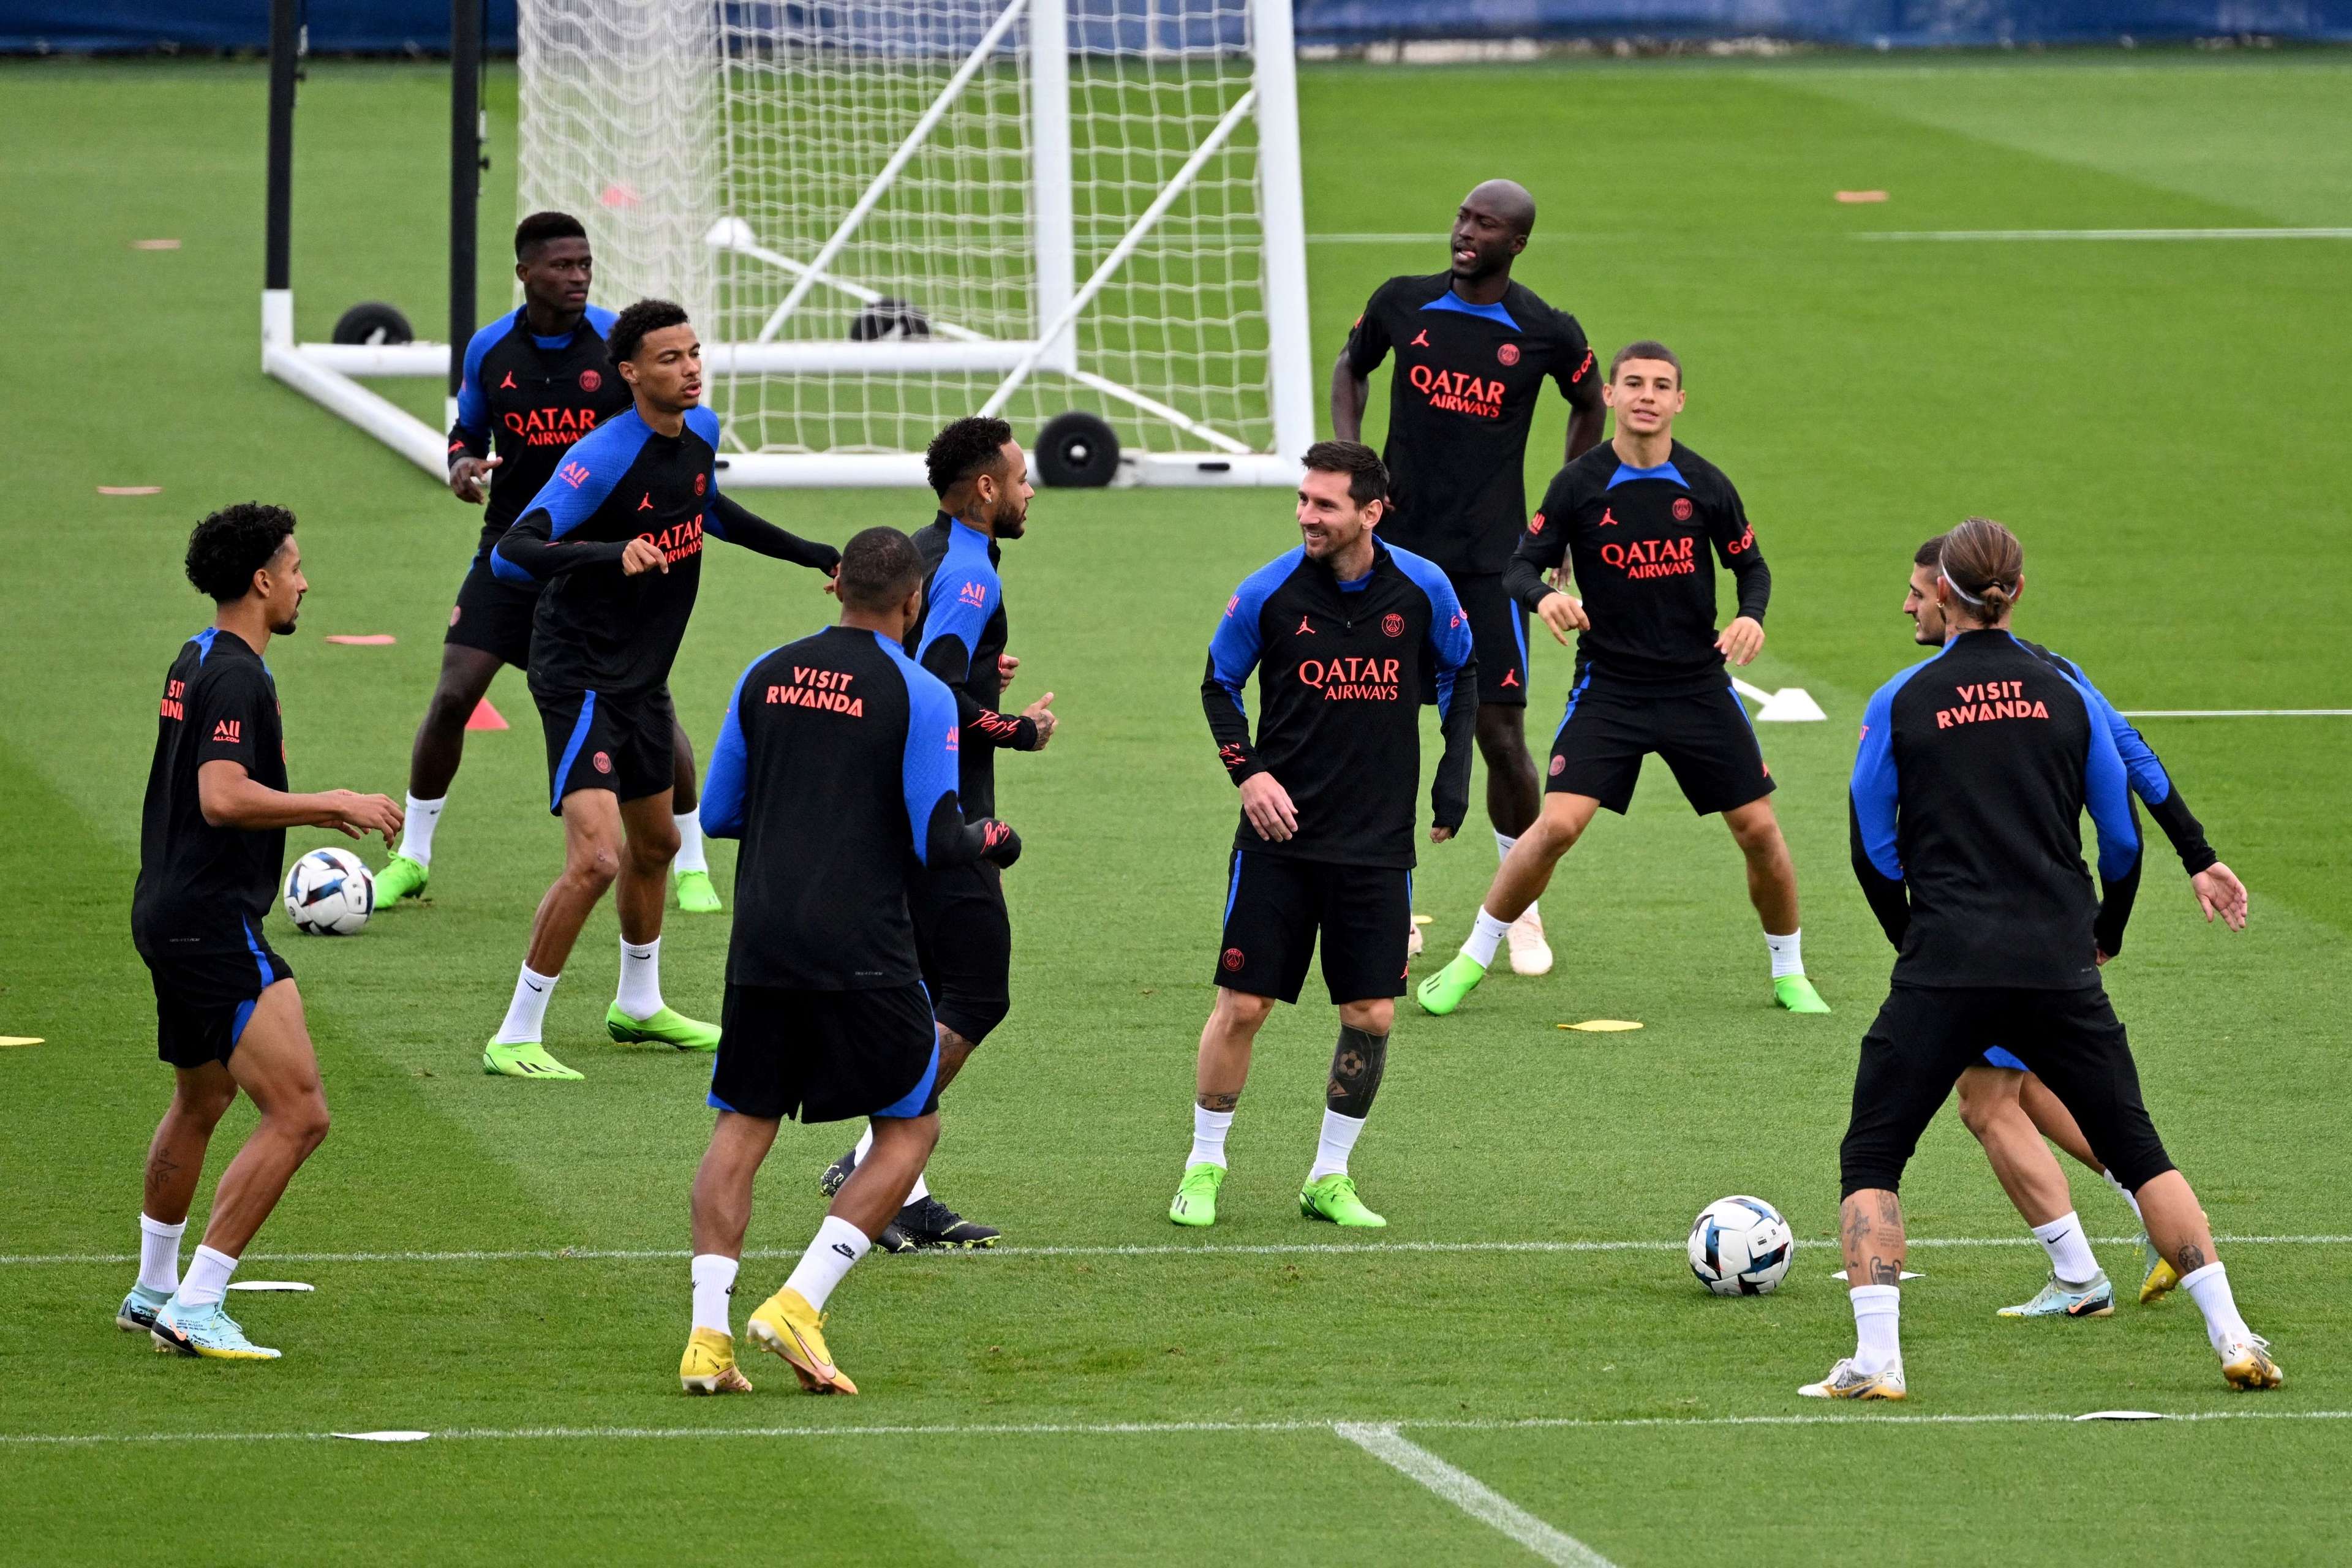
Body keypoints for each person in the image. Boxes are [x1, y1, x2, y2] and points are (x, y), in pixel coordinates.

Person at [1810, 517, 2280, 1400]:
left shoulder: (1902, 699)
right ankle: (2234, 1335)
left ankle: (1878, 1363)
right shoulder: (2065, 689)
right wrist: (2106, 933)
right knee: (2141, 1152)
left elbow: (1871, 848)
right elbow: (2121, 837)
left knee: (1872, 1156)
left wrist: (1913, 941)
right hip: (2057, 961)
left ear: (1941, 592)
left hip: (1944, 963)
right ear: (2017, 590)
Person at [679, 526, 1023, 1396]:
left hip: (761, 939)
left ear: (837, 591)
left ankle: (707, 1340)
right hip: (864, 948)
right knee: (911, 1126)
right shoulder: (921, 694)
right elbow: (935, 837)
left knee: (741, 1129)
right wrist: (995, 837)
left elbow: (719, 812)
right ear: (912, 603)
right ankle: (800, 1301)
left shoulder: (766, 672)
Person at [482, 298, 840, 1081]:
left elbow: (708, 509)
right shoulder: (603, 455)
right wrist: (611, 553)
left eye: (695, 353)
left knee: (657, 845)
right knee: (597, 859)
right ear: (630, 373)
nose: (691, 369)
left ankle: (637, 1005)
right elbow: (515, 551)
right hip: (579, 676)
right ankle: (515, 1030)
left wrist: (817, 554)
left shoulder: (700, 434)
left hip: (643, 678)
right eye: (671, 358)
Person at [1415, 342, 1830, 1019]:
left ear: (1678, 402)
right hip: (1610, 688)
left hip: (1699, 686)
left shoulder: (1706, 484)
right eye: (1632, 383)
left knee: (1760, 830)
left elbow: (1751, 567)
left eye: (1661, 385)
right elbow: (1521, 566)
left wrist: (1751, 617)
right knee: (1554, 828)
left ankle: (1791, 972)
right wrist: (1544, 597)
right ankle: (1470, 960)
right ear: (1608, 395)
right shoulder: (1579, 484)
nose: (1647, 395)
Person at [1898, 530, 2250, 1318]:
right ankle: (2157, 1221)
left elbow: (1873, 832)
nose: (1911, 605)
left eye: (1920, 591)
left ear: (1952, 597)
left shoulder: (1927, 691)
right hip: (2057, 929)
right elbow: (2135, 758)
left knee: (1987, 1101)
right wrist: (2195, 854)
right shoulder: (2059, 672)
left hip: (1982, 931)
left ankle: (2079, 1273)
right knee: (2025, 1083)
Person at [376, 212, 724, 916]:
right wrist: (463, 465)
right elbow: (466, 431)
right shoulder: (491, 351)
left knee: (649, 708)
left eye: (585, 264)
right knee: (453, 695)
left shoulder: (614, 344)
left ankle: (689, 859)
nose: (578, 276)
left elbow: (665, 439)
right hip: (514, 544)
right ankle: (412, 855)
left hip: (603, 560)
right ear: (525, 273)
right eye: (562, 266)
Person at [1169, 440, 1474, 1231]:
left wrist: (1453, 772)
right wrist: (1248, 773)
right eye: (1304, 500)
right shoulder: (1268, 592)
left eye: (1325, 504)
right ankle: (1204, 1165)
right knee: (1242, 1005)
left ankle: (1328, 1176)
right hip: (1278, 839)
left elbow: (1460, 670)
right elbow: (1219, 682)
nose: (1307, 515)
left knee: (1370, 1015)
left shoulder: (1423, 588)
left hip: (1375, 846)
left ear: (1370, 513)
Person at [125, 505, 402, 1359]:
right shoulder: (239, 675)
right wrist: (336, 803)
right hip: (210, 919)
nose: (305, 582)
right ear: (262, 579)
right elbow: (221, 794)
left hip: (166, 906)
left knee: (202, 1098)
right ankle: (197, 1303)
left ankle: (151, 1288)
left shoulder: (196, 653)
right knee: (301, 1112)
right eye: (296, 566)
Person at [1333, 179, 1604, 979]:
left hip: (1493, 565)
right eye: (1462, 217)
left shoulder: (1546, 330)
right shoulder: (1403, 303)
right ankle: (1394, 909)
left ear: (1516, 243)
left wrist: (1560, 513)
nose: (1465, 233)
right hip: (1398, 559)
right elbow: (1352, 368)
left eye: (1485, 225)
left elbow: (1589, 403)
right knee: (1382, 733)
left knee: (1501, 734)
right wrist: (1354, 459)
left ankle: (1517, 908)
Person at [815, 417, 1058, 1251]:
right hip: (940, 812)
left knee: (921, 991)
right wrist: (1016, 728)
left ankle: (892, 1179)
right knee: (978, 992)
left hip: (890, 805)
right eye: (1021, 480)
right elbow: (939, 690)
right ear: (986, 489)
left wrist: (984, 668)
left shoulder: (925, 551)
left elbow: (903, 651)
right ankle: (876, 1167)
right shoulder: (966, 572)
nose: (1030, 493)